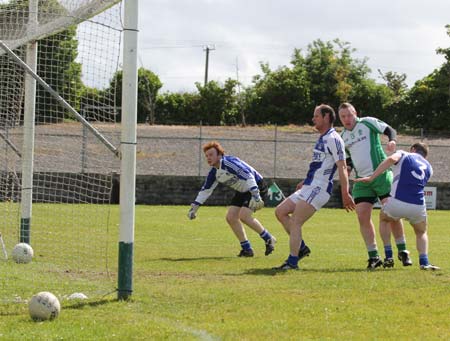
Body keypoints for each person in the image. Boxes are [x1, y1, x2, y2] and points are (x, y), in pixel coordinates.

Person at [273, 104, 355, 270]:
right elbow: (321, 165)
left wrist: (345, 192)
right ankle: (301, 247)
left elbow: (342, 167)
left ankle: (292, 261)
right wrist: (306, 181)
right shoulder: (323, 138)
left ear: (326, 117)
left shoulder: (334, 139)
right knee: (280, 212)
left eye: (316, 116)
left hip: (319, 188)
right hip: (310, 185)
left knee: (295, 221)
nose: (313, 119)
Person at [338, 102, 412, 269]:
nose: (347, 119)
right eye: (343, 117)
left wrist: (392, 141)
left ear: (355, 112)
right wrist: (348, 168)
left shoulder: (367, 122)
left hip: (381, 175)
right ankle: (374, 256)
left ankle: (403, 250)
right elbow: (349, 158)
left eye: (349, 115)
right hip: (362, 181)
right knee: (362, 216)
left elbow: (389, 129)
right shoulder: (343, 137)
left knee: (392, 214)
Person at [354, 143, 439, 270]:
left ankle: (388, 255)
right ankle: (424, 262)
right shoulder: (429, 167)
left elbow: (391, 159)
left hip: (397, 202)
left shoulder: (404, 153)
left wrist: (372, 177)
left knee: (384, 219)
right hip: (418, 205)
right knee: (421, 232)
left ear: (413, 149)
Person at [188, 141, 276, 257]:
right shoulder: (214, 172)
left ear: (219, 155)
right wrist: (194, 208)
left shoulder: (229, 163)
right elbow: (206, 190)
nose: (208, 158)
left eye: (211, 155)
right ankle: (247, 249)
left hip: (255, 185)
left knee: (244, 216)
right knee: (231, 217)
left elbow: (248, 175)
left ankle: (269, 238)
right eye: (207, 156)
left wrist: (256, 194)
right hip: (242, 190)